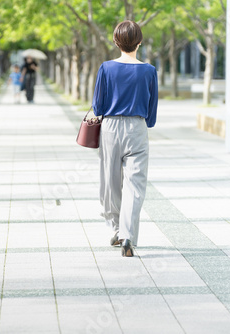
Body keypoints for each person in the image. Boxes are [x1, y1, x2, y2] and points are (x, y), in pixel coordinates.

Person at [92, 20, 158, 257]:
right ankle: (127, 235)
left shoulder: (106, 68)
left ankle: (115, 228)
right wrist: (145, 124)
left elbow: (97, 105)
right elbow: (152, 109)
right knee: (135, 184)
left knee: (110, 182)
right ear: (139, 42)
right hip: (137, 128)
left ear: (115, 41)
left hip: (110, 127)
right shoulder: (149, 71)